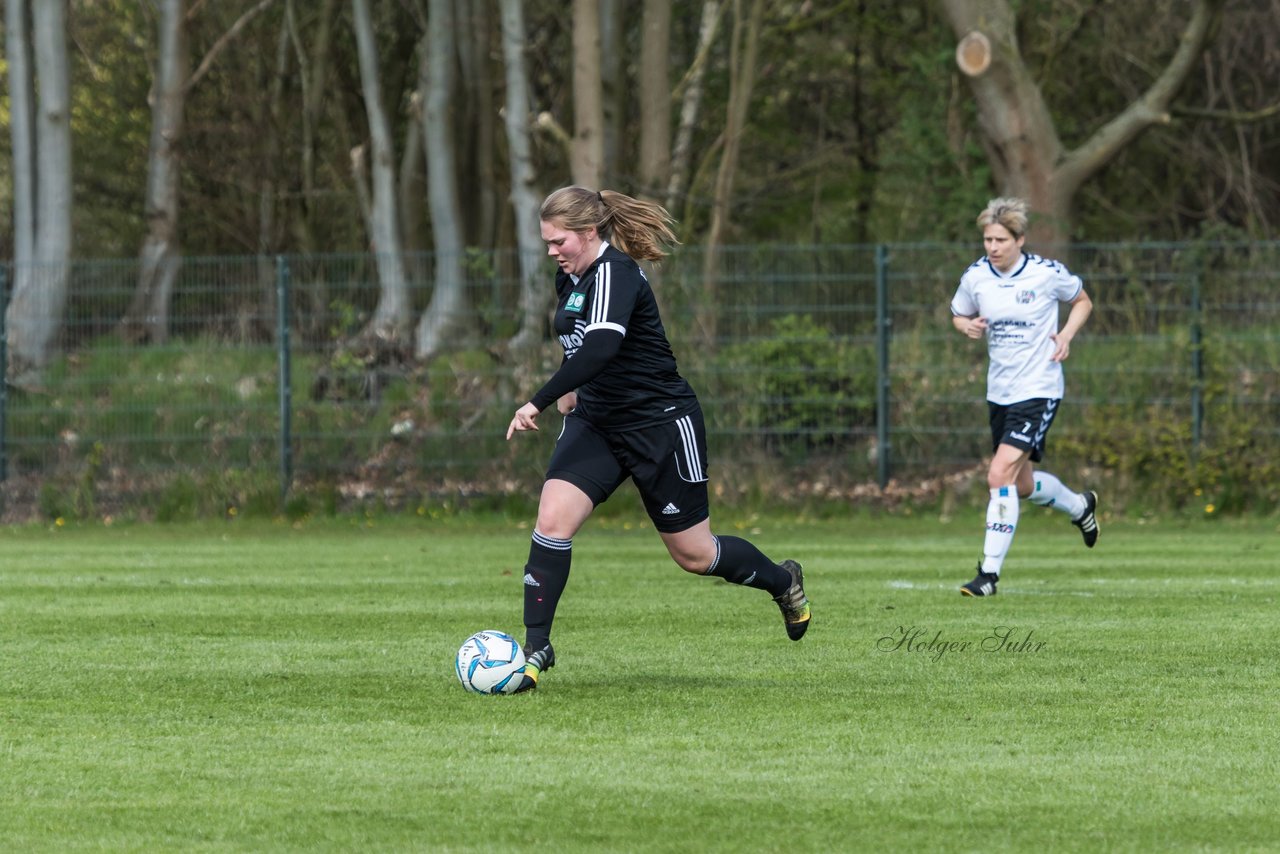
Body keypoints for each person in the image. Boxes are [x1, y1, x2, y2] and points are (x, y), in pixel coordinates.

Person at [504, 186, 810, 690]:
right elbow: (577, 342)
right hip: (598, 424)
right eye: (547, 243)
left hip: (660, 426)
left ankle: (784, 581)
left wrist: (537, 399)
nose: (552, 251)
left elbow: (602, 345)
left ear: (588, 233)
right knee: (551, 521)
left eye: (559, 242)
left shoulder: (616, 273)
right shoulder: (571, 278)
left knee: (695, 555)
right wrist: (570, 390)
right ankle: (536, 647)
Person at [949, 197, 1099, 597]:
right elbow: (958, 313)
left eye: (1000, 239)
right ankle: (1081, 507)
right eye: (987, 239)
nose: (992, 247)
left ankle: (988, 575)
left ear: (1020, 240)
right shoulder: (977, 277)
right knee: (1020, 485)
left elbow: (1083, 300)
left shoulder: (1046, 274)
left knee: (998, 475)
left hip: (1039, 388)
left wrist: (1065, 335)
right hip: (1000, 391)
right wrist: (966, 326)